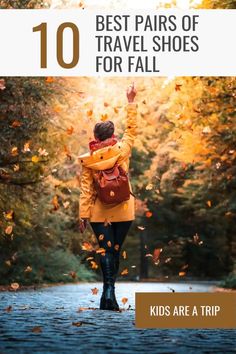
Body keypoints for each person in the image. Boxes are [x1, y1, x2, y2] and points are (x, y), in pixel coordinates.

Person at [78, 83, 137, 311]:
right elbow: (132, 130)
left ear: (95, 137)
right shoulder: (122, 150)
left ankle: (107, 292)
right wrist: (131, 101)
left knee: (106, 250)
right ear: (113, 135)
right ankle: (110, 293)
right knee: (115, 251)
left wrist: (83, 215)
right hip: (124, 210)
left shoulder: (89, 161)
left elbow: (87, 190)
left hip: (99, 213)